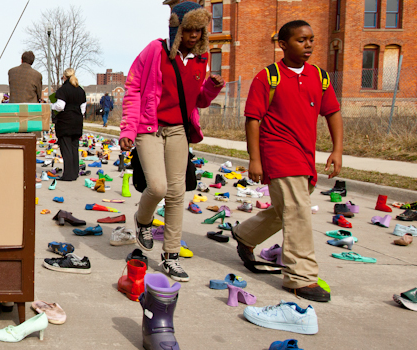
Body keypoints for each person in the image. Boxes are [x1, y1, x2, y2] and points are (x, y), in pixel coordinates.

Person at [232, 20, 343, 303]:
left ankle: (244, 234)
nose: (308, 45)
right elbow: (253, 120)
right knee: (298, 212)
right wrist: (254, 159)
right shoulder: (268, 77)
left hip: (305, 154)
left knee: (287, 210)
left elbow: (332, 112)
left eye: (311, 39)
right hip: (278, 150)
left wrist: (337, 149)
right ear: (282, 45)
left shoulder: (320, 76)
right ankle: (300, 277)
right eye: (300, 40)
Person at [119, 1, 224, 283]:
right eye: (189, 30)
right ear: (176, 29)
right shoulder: (156, 51)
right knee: (158, 186)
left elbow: (197, 100)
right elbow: (133, 89)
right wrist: (128, 130)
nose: (194, 36)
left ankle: (171, 256)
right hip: (149, 128)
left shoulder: (201, 60)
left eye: (199, 30)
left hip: (178, 130)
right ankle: (143, 220)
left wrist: (211, 88)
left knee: (177, 193)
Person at [52, 68, 86, 182]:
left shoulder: (63, 90)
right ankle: (75, 173)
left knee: (66, 149)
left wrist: (52, 106)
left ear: (64, 77)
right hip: (77, 121)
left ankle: (68, 175)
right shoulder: (81, 90)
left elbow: (60, 106)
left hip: (65, 122)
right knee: (74, 148)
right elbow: (83, 109)